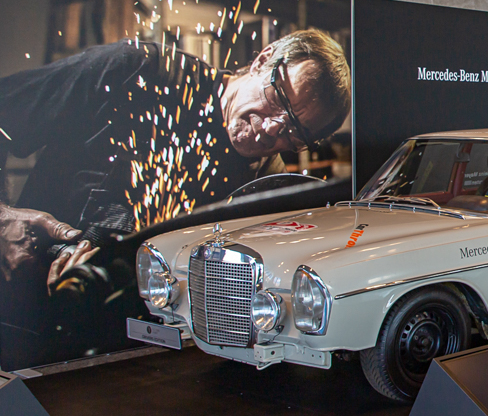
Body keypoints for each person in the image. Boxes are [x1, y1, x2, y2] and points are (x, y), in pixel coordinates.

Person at [0, 29, 351, 286]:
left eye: (294, 131)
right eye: (279, 99)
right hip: (24, 305)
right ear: (262, 60)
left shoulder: (265, 189)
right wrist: (3, 218)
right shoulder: (138, 71)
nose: (273, 129)